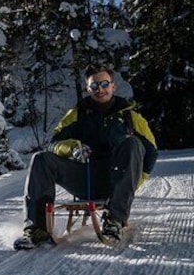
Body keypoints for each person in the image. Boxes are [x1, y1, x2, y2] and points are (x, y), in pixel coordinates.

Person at [19, 65, 158, 247]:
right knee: (41, 158)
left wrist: (132, 182)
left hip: (116, 180)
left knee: (132, 143)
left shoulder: (130, 116)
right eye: (94, 86)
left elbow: (151, 151)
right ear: (88, 89)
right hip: (83, 178)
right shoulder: (78, 113)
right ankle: (37, 229)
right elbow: (53, 144)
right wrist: (72, 148)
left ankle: (114, 221)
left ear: (113, 86)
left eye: (104, 84)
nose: (100, 89)